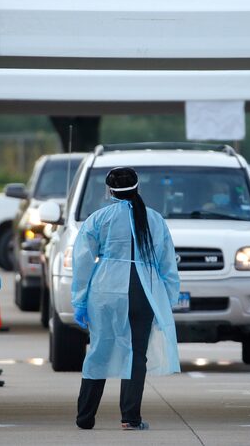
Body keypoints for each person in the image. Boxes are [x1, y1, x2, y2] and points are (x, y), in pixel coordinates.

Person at [73, 167, 181, 431]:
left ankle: (85, 417)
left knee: (99, 351)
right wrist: (168, 298)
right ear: (137, 188)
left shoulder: (99, 218)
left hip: (105, 291)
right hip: (145, 291)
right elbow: (168, 265)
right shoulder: (155, 219)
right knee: (136, 355)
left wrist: (79, 300)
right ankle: (130, 418)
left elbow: (83, 262)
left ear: (109, 190)